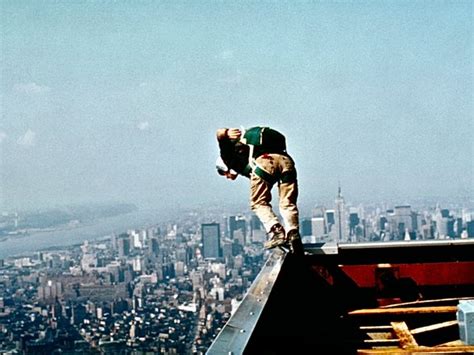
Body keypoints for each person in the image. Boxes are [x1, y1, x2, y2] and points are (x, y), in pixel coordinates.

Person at [216, 126, 303, 255]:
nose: (228, 177)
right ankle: (293, 233)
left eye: (224, 174)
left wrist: (225, 133)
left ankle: (276, 231)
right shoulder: (245, 155)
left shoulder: (227, 156)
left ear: (225, 167)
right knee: (287, 202)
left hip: (266, 162)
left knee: (258, 203)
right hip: (286, 161)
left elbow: (219, 135)